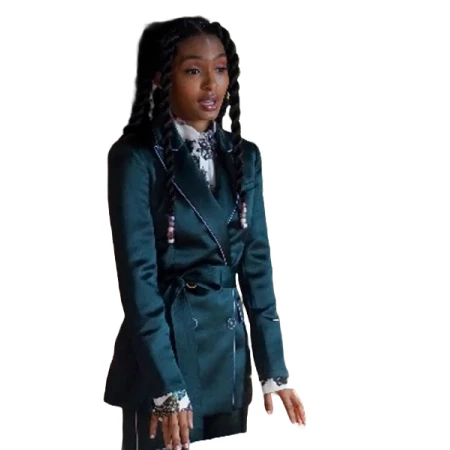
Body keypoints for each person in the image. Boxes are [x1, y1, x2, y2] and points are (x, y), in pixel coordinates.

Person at [103, 16, 306, 450]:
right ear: (161, 79)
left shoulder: (245, 156)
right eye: (194, 70)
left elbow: (257, 267)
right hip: (164, 354)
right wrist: (167, 386)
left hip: (227, 355)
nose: (212, 85)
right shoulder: (136, 159)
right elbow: (138, 282)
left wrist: (274, 369)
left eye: (221, 69)